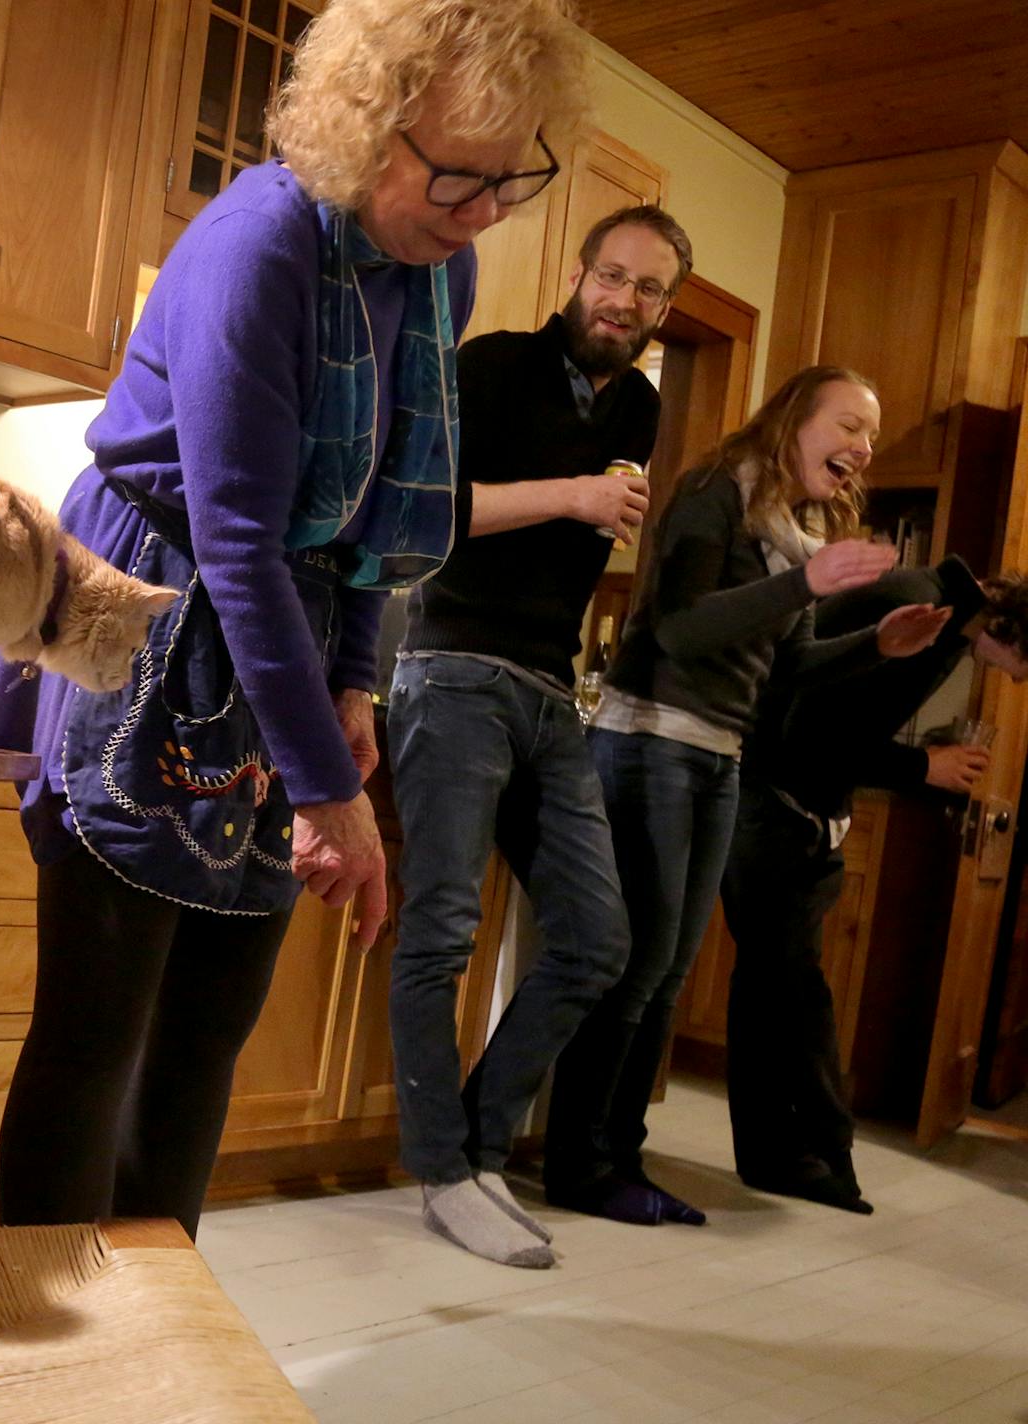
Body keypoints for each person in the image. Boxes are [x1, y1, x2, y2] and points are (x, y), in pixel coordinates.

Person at [0, 0, 591, 1240]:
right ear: (367, 127)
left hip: (279, 630)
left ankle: (162, 1340)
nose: (480, 213)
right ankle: (48, 1348)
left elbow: (380, 507)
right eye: (455, 174)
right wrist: (326, 791)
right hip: (147, 615)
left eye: (508, 176)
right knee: (96, 1034)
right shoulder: (257, 242)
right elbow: (239, 537)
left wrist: (352, 686)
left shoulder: (437, 265)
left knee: (205, 1039)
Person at [542, 365, 952, 1227]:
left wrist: (880, 642)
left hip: (719, 755)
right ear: (797, 416)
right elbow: (680, 630)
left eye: (870, 436)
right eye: (850, 425)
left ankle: (620, 1155)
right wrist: (808, 584)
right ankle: (579, 1161)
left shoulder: (792, 528)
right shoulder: (712, 493)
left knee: (668, 972)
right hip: (650, 738)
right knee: (637, 969)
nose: (864, 448)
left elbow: (787, 671)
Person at [387, 204, 691, 1268]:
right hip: (451, 664)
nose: (624, 300)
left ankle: (473, 1146)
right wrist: (572, 492)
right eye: (610, 275)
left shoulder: (641, 404)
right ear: (576, 273)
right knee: (439, 927)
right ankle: (441, 1168)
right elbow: (430, 506)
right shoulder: (492, 366)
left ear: (665, 306)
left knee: (598, 939)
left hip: (549, 687)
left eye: (648, 289)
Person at [723, 557, 1028, 1213]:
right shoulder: (916, 604)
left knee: (779, 989)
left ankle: (795, 1157)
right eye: (1024, 663)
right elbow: (807, 728)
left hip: (799, 813)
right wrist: (924, 765)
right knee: (790, 990)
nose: (1014, 676)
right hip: (771, 804)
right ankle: (810, 1154)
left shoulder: (949, 623)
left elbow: (842, 728)